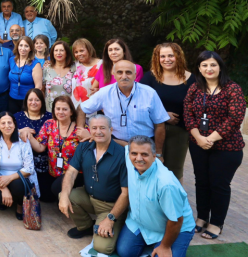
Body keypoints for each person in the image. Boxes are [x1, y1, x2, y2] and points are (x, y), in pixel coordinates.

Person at [183, 50, 245, 240]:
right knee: (201, 182)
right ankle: (201, 218)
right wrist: (198, 138)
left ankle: (216, 223)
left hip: (227, 147)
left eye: (213, 65)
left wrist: (210, 138)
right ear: (199, 69)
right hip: (198, 144)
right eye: (204, 65)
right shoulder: (195, 88)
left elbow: (235, 118)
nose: (209, 69)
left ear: (220, 67)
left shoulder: (232, 89)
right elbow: (187, 113)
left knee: (219, 185)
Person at [57, 115, 128, 255]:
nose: (98, 132)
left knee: (103, 248)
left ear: (111, 130)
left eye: (102, 128)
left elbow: (126, 193)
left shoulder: (122, 155)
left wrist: (110, 218)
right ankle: (86, 227)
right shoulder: (84, 147)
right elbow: (71, 173)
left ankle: (117, 225)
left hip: (111, 207)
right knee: (64, 195)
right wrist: (64, 196)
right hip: (89, 197)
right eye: (94, 128)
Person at [116, 136, 196, 257]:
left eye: (144, 154)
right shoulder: (129, 156)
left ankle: (163, 243)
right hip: (140, 222)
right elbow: (125, 145)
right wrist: (96, 136)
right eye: (134, 153)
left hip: (174, 227)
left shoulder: (166, 183)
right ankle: (153, 243)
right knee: (125, 252)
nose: (138, 158)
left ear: (154, 156)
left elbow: (176, 220)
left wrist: (164, 246)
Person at [80, 60, 169, 149]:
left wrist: (158, 154)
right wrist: (81, 129)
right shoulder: (104, 93)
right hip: (115, 144)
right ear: (114, 74)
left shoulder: (149, 93)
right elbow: (81, 108)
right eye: (119, 72)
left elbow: (160, 125)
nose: (124, 76)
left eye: (128, 72)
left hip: (145, 145)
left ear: (135, 75)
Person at [140, 43, 194, 180]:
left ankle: (174, 201)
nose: (167, 59)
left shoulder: (192, 79)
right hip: (151, 130)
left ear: (178, 56)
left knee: (174, 172)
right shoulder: (149, 78)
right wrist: (163, 115)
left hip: (179, 132)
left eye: (171, 55)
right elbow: (140, 103)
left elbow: (195, 107)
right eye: (162, 56)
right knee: (150, 168)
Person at [27, 96, 86, 202]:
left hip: (74, 173)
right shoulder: (49, 124)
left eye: (65, 109)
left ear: (71, 112)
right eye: (58, 109)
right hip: (53, 172)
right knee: (45, 197)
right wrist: (28, 136)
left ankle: (72, 197)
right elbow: (40, 147)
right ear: (53, 110)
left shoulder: (80, 128)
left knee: (56, 189)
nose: (61, 112)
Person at [0, 111, 39, 220]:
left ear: (14, 124)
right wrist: (3, 188)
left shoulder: (23, 140)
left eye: (9, 123)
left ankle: (20, 205)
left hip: (20, 178)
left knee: (18, 186)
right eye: (3, 123)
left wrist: (9, 178)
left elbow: (29, 169)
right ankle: (6, 200)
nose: (7, 126)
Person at [14, 89, 53, 198]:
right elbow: (6, 131)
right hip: (22, 162)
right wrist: (20, 131)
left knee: (47, 197)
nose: (33, 102)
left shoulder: (50, 117)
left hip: (44, 163)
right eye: (30, 99)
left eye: (37, 100)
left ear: (42, 102)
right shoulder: (17, 117)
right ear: (26, 101)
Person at [7, 36, 42, 113]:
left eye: (26, 46)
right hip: (12, 99)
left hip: (27, 100)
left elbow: (38, 86)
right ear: (17, 47)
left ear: (30, 48)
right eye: (21, 45)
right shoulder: (11, 60)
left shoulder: (35, 64)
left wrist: (32, 101)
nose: (23, 48)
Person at [43, 40, 75, 111]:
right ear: (52, 53)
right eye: (56, 50)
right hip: (50, 109)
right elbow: (42, 89)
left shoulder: (75, 68)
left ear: (66, 52)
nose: (58, 53)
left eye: (61, 50)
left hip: (68, 109)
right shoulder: (47, 68)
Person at [71, 38, 101, 108]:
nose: (79, 54)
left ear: (89, 50)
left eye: (81, 51)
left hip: (95, 107)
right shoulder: (75, 65)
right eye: (76, 52)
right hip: (76, 108)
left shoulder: (101, 65)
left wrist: (99, 90)